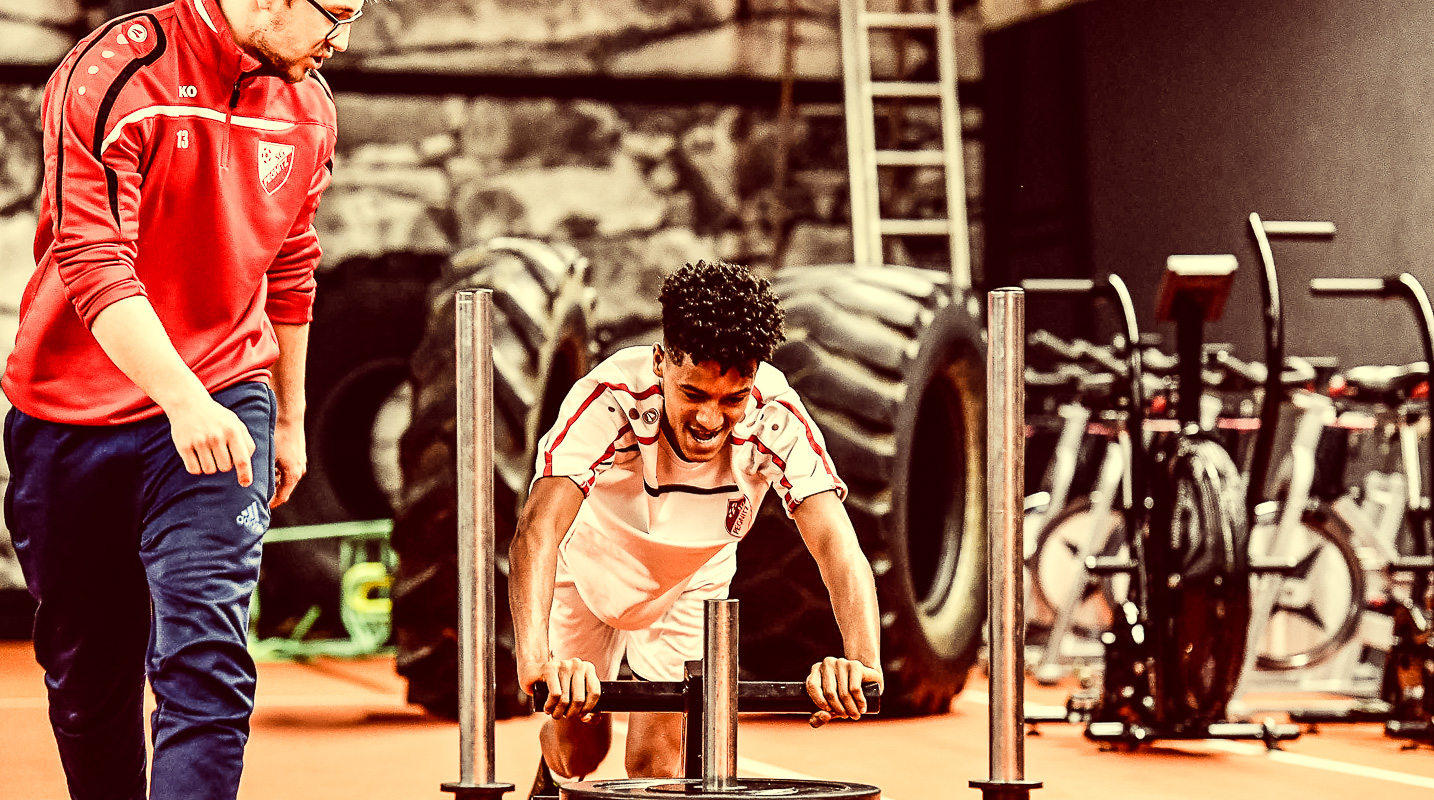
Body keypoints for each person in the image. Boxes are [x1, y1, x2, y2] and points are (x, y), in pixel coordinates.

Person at [2, 1, 361, 797]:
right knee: (89, 681)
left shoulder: (310, 108)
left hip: (227, 402)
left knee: (206, 657)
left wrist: (290, 419)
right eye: (338, 12)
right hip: (70, 415)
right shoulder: (111, 74)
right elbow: (93, 260)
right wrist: (179, 396)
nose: (344, 36)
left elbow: (291, 267)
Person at [510, 260, 884, 783]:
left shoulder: (775, 413)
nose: (711, 420)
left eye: (733, 399)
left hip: (692, 580)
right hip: (589, 562)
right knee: (578, 755)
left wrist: (862, 663)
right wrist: (537, 664)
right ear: (661, 361)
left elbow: (836, 545)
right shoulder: (609, 396)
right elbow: (538, 530)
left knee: (657, 770)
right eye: (693, 394)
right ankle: (550, 770)